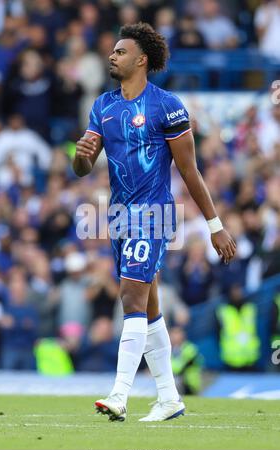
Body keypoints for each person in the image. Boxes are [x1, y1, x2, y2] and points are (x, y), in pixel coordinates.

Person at [73, 22, 236, 422]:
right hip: (118, 216)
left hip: (155, 213)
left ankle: (119, 394)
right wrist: (80, 154)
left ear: (141, 60)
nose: (112, 56)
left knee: (130, 297)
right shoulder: (103, 106)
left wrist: (215, 226)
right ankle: (169, 398)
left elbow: (189, 171)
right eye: (111, 51)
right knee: (148, 308)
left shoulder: (167, 106)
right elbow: (82, 168)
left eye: (120, 51)